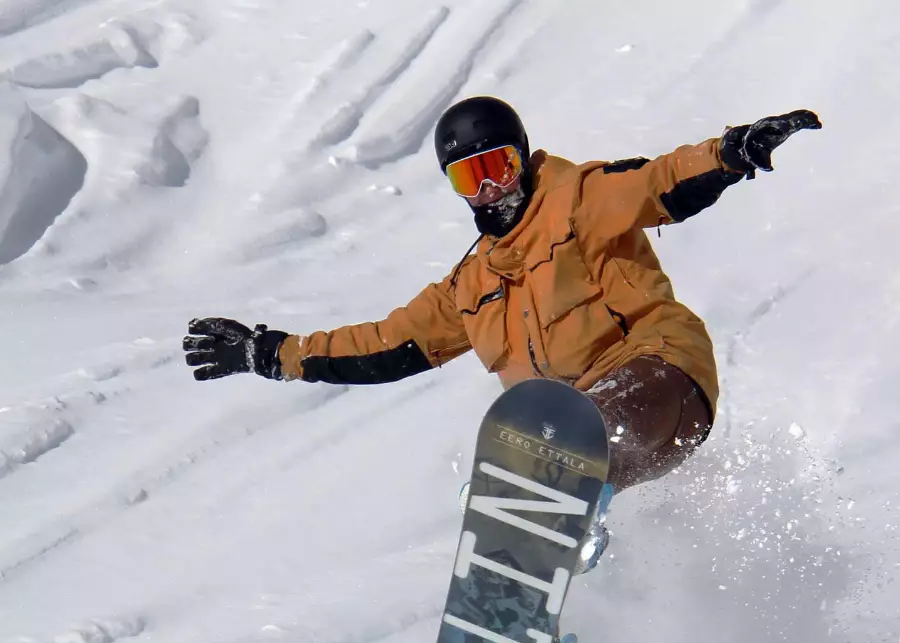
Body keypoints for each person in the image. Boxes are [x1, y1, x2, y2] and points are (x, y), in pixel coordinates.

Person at [183, 97, 821, 494]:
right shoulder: (471, 286)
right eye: (471, 177)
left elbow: (658, 181)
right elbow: (385, 344)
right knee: (533, 472)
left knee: (553, 449)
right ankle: (529, 636)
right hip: (578, 442)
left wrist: (730, 153)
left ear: (522, 159)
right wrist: (272, 353)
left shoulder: (580, 199)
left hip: (659, 381)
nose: (490, 189)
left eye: (499, 167)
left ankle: (552, 492)